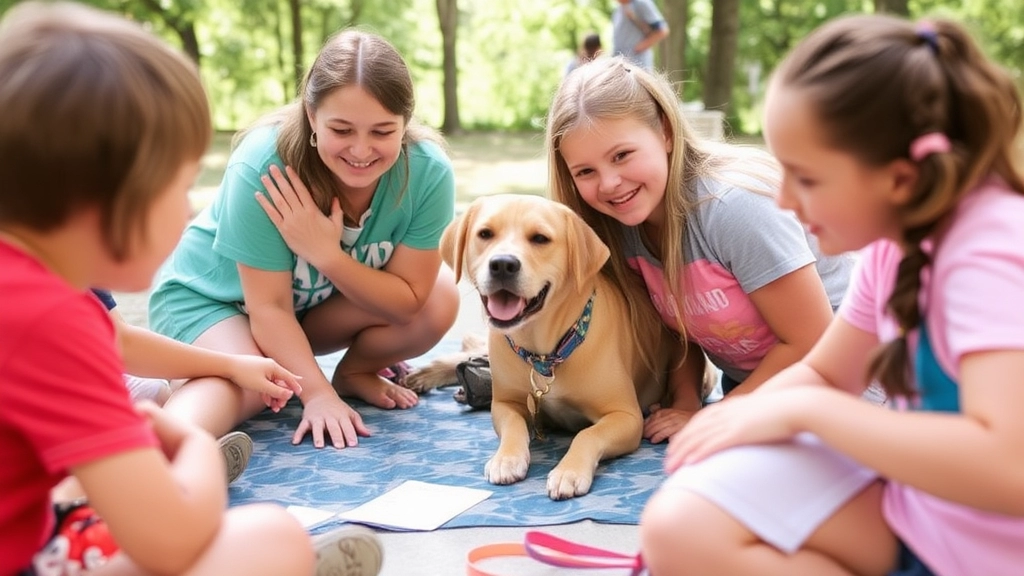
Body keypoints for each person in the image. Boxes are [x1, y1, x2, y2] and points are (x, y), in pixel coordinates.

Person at [0, 3, 383, 575]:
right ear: (106, 200)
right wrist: (194, 447)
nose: (188, 213)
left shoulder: (32, 288)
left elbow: (114, 341)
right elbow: (173, 540)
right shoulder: (49, 319)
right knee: (274, 539)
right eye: (179, 187)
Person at [639, 14, 1024, 576]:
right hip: (925, 517)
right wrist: (740, 417)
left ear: (899, 178)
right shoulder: (894, 247)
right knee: (683, 525)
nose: (786, 200)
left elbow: (1007, 469)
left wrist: (806, 412)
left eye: (808, 178)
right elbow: (824, 374)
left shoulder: (989, 255)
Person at [148, 28, 460, 455]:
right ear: (311, 116)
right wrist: (314, 394)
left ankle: (351, 374)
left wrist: (326, 255)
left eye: (383, 132)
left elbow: (408, 300)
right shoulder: (263, 163)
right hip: (212, 303)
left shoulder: (428, 173)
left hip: (304, 312)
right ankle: (154, 454)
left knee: (440, 298)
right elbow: (268, 306)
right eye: (342, 129)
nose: (362, 150)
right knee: (262, 383)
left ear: (405, 124)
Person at [547, 56, 854, 444]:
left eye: (622, 155)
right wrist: (688, 400)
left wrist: (714, 418)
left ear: (665, 131)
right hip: (759, 395)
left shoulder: (733, 209)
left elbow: (811, 340)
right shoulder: (618, 226)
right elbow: (675, 326)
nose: (609, 184)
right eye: (585, 172)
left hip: (852, 390)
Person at [611, 0, 670, 71]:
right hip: (621, 64)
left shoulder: (641, 3)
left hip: (638, 65)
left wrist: (637, 49)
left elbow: (662, 31)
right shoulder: (618, 9)